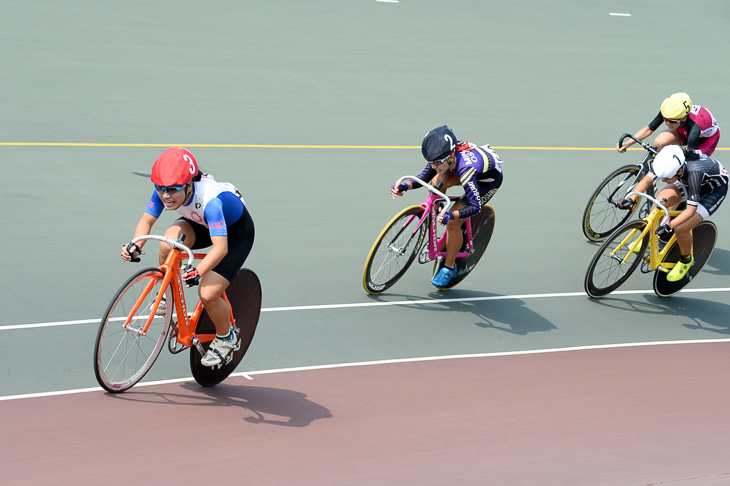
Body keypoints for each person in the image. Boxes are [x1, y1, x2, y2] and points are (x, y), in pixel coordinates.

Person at [121, 147, 255, 367]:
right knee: (168, 243)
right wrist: (135, 244)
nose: (165, 195)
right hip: (201, 223)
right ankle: (168, 293)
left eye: (173, 190)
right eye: (161, 189)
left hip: (234, 234)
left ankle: (227, 337)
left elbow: (220, 249)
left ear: (190, 184)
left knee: (208, 293)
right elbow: (146, 223)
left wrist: (198, 271)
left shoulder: (211, 202)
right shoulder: (165, 191)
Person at [391, 125, 504, 287]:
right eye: (430, 162)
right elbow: (424, 177)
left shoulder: (466, 168)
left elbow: (475, 206)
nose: (433, 166)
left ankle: (449, 267)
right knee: (436, 181)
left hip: (486, 182)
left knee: (453, 222)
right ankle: (439, 207)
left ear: (450, 156)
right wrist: (403, 186)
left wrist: (451, 215)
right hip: (459, 169)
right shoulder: (441, 157)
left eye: (437, 163)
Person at [618, 145, 728, 281]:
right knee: (657, 205)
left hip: (712, 191)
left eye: (666, 178)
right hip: (686, 181)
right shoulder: (666, 160)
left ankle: (686, 260)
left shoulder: (694, 173)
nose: (663, 181)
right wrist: (631, 198)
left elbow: (690, 210)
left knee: (680, 228)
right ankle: (651, 238)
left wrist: (669, 226)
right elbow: (647, 180)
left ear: (679, 170)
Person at [617, 92, 720, 156]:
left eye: (672, 121)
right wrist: (628, 143)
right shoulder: (670, 112)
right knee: (659, 142)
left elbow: (691, 156)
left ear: (683, 118)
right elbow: (649, 129)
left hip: (705, 140)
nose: (667, 122)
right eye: (665, 119)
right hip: (682, 131)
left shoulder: (694, 128)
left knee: (689, 170)